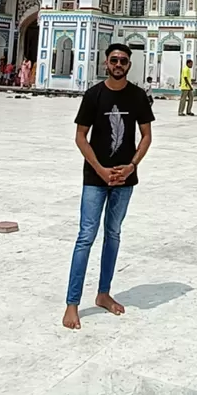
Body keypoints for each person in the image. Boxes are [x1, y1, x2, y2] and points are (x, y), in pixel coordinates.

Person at [63, 43, 154, 330]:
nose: (118, 64)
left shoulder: (138, 96)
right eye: (114, 60)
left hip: (124, 178)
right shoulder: (94, 95)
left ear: (129, 65)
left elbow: (147, 136)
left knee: (112, 234)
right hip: (96, 177)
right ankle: (72, 304)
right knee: (86, 236)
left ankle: (103, 293)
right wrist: (100, 170)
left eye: (123, 61)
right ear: (106, 63)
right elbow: (80, 136)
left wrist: (132, 166)